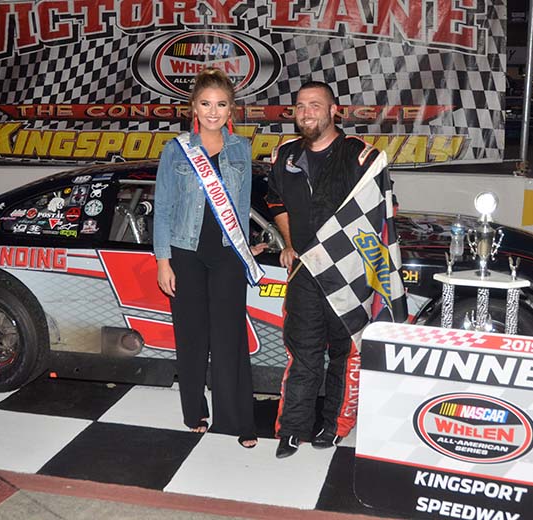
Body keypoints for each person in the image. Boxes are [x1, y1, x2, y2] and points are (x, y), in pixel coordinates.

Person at [265, 81, 385, 458]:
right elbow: (275, 202)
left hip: (349, 274)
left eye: (315, 105)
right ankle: (292, 428)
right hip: (304, 273)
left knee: (346, 353)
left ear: (335, 110)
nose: (307, 113)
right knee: (302, 353)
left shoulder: (360, 157)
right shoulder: (284, 155)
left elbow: (378, 216)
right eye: (300, 106)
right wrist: (290, 244)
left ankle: (335, 426)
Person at [153, 68, 266, 449]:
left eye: (220, 104)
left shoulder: (241, 149)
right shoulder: (175, 149)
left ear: (231, 108)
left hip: (227, 254)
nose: (213, 112)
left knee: (229, 336)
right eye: (206, 104)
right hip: (185, 254)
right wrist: (163, 260)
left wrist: (248, 245)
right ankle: (194, 411)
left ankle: (237, 418)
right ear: (193, 108)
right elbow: (164, 207)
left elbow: (244, 202)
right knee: (191, 336)